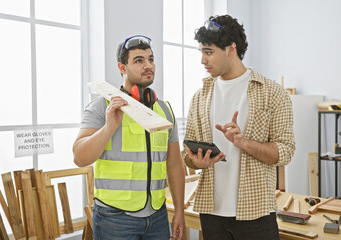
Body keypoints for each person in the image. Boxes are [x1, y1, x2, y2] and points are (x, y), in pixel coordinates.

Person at [183, 15, 295, 240]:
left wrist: (244, 143)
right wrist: (196, 161)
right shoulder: (199, 97)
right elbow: (187, 156)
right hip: (211, 211)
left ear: (231, 48)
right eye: (201, 53)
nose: (203, 60)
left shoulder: (271, 92)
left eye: (209, 52)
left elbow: (286, 152)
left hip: (256, 213)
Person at [73, 35, 185, 240]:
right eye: (139, 60)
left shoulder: (164, 110)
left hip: (157, 215)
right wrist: (108, 127)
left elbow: (175, 164)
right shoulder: (102, 106)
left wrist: (179, 210)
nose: (148, 65)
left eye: (151, 59)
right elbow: (80, 157)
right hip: (115, 217)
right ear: (122, 67)